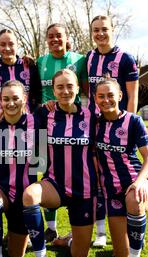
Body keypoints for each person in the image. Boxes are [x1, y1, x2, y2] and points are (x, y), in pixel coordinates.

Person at [22, 69, 97, 257]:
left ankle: (70, 241)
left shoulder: (92, 115)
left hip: (84, 190)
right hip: (55, 184)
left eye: (69, 86)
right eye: (60, 87)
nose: (65, 91)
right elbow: (19, 122)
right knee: (30, 196)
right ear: (53, 90)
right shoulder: (45, 113)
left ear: (78, 88)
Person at [94, 77, 148, 257]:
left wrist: (139, 182)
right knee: (120, 256)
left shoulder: (133, 121)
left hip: (136, 182)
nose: (106, 100)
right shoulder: (95, 123)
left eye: (110, 95)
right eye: (101, 96)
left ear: (120, 96)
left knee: (134, 199)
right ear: (95, 98)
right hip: (112, 190)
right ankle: (133, 239)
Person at [86, 15, 139, 248]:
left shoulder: (125, 59)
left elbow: (132, 97)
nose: (100, 34)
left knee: (123, 176)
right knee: (98, 177)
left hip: (120, 128)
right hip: (95, 127)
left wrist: (127, 127)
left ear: (112, 30)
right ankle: (100, 233)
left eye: (104, 29)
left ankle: (133, 229)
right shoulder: (88, 57)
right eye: (96, 30)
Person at [0, 80, 43, 257]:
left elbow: (42, 161)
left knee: (16, 254)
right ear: (0, 101)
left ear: (24, 99)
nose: (10, 103)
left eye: (15, 98)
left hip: (25, 191)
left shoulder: (37, 122)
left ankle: (11, 235)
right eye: (5, 99)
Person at [37, 23, 88, 243]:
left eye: (59, 35)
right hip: (48, 122)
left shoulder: (80, 60)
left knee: (80, 171)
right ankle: (51, 228)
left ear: (67, 37)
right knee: (49, 171)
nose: (55, 39)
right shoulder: (40, 62)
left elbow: (87, 89)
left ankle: (94, 229)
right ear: (47, 40)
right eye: (51, 36)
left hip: (75, 122)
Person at [0, 29, 42, 113]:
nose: (7, 48)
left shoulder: (30, 66)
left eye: (11, 44)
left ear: (17, 45)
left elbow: (38, 95)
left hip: (27, 121)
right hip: (0, 122)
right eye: (3, 45)